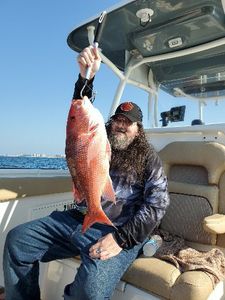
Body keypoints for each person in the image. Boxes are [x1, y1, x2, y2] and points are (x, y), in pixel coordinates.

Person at [3, 46, 170, 300]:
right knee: (17, 242)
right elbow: (81, 111)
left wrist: (121, 240)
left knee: (89, 290)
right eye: (118, 120)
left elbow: (157, 205)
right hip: (77, 219)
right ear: (110, 122)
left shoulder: (149, 159)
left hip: (118, 230)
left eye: (128, 122)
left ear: (139, 129)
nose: (121, 126)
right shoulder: (97, 137)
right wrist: (86, 77)